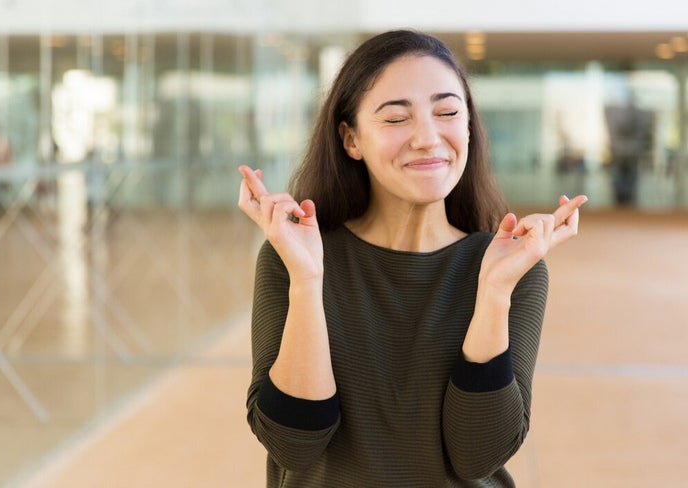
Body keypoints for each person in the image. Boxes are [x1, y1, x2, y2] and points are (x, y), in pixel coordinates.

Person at [237, 29, 587, 487]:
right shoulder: (294, 257)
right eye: (396, 119)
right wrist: (307, 280)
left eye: (446, 112)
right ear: (351, 139)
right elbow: (294, 445)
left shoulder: (513, 266)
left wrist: (495, 291)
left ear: (467, 127)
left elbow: (477, 455)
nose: (427, 137)